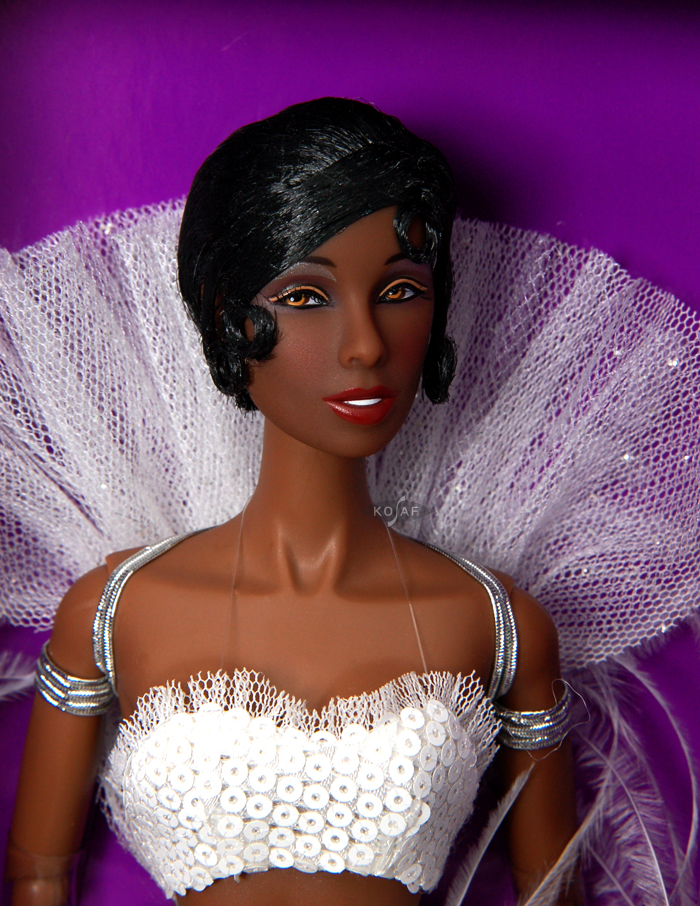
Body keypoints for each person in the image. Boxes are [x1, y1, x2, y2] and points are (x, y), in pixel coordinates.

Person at [5, 99, 579, 905]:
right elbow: (35, 873)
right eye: (306, 297)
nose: (366, 345)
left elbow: (552, 888)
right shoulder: (112, 610)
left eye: (401, 289)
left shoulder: (497, 623)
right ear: (228, 319)